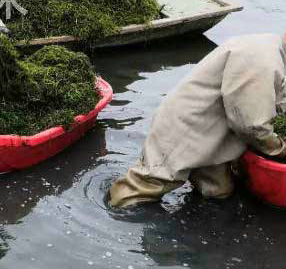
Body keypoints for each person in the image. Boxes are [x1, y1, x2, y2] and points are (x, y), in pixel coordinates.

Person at [110, 33, 286, 208]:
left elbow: (277, 99)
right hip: (187, 127)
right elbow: (251, 125)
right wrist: (280, 149)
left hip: (215, 137)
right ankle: (114, 215)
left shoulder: (273, 51)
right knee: (147, 184)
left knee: (219, 191)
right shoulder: (262, 59)